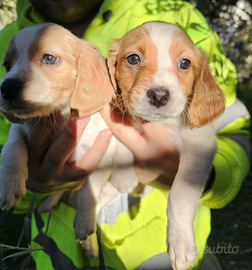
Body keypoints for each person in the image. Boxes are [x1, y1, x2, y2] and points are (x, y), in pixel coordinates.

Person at [0, 0, 251, 269]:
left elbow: (233, 127)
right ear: (112, 69)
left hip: (158, 256)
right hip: (55, 253)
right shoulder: (6, 39)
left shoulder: (179, 14)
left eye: (184, 64)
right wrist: (30, 184)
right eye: (133, 59)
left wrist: (208, 178)